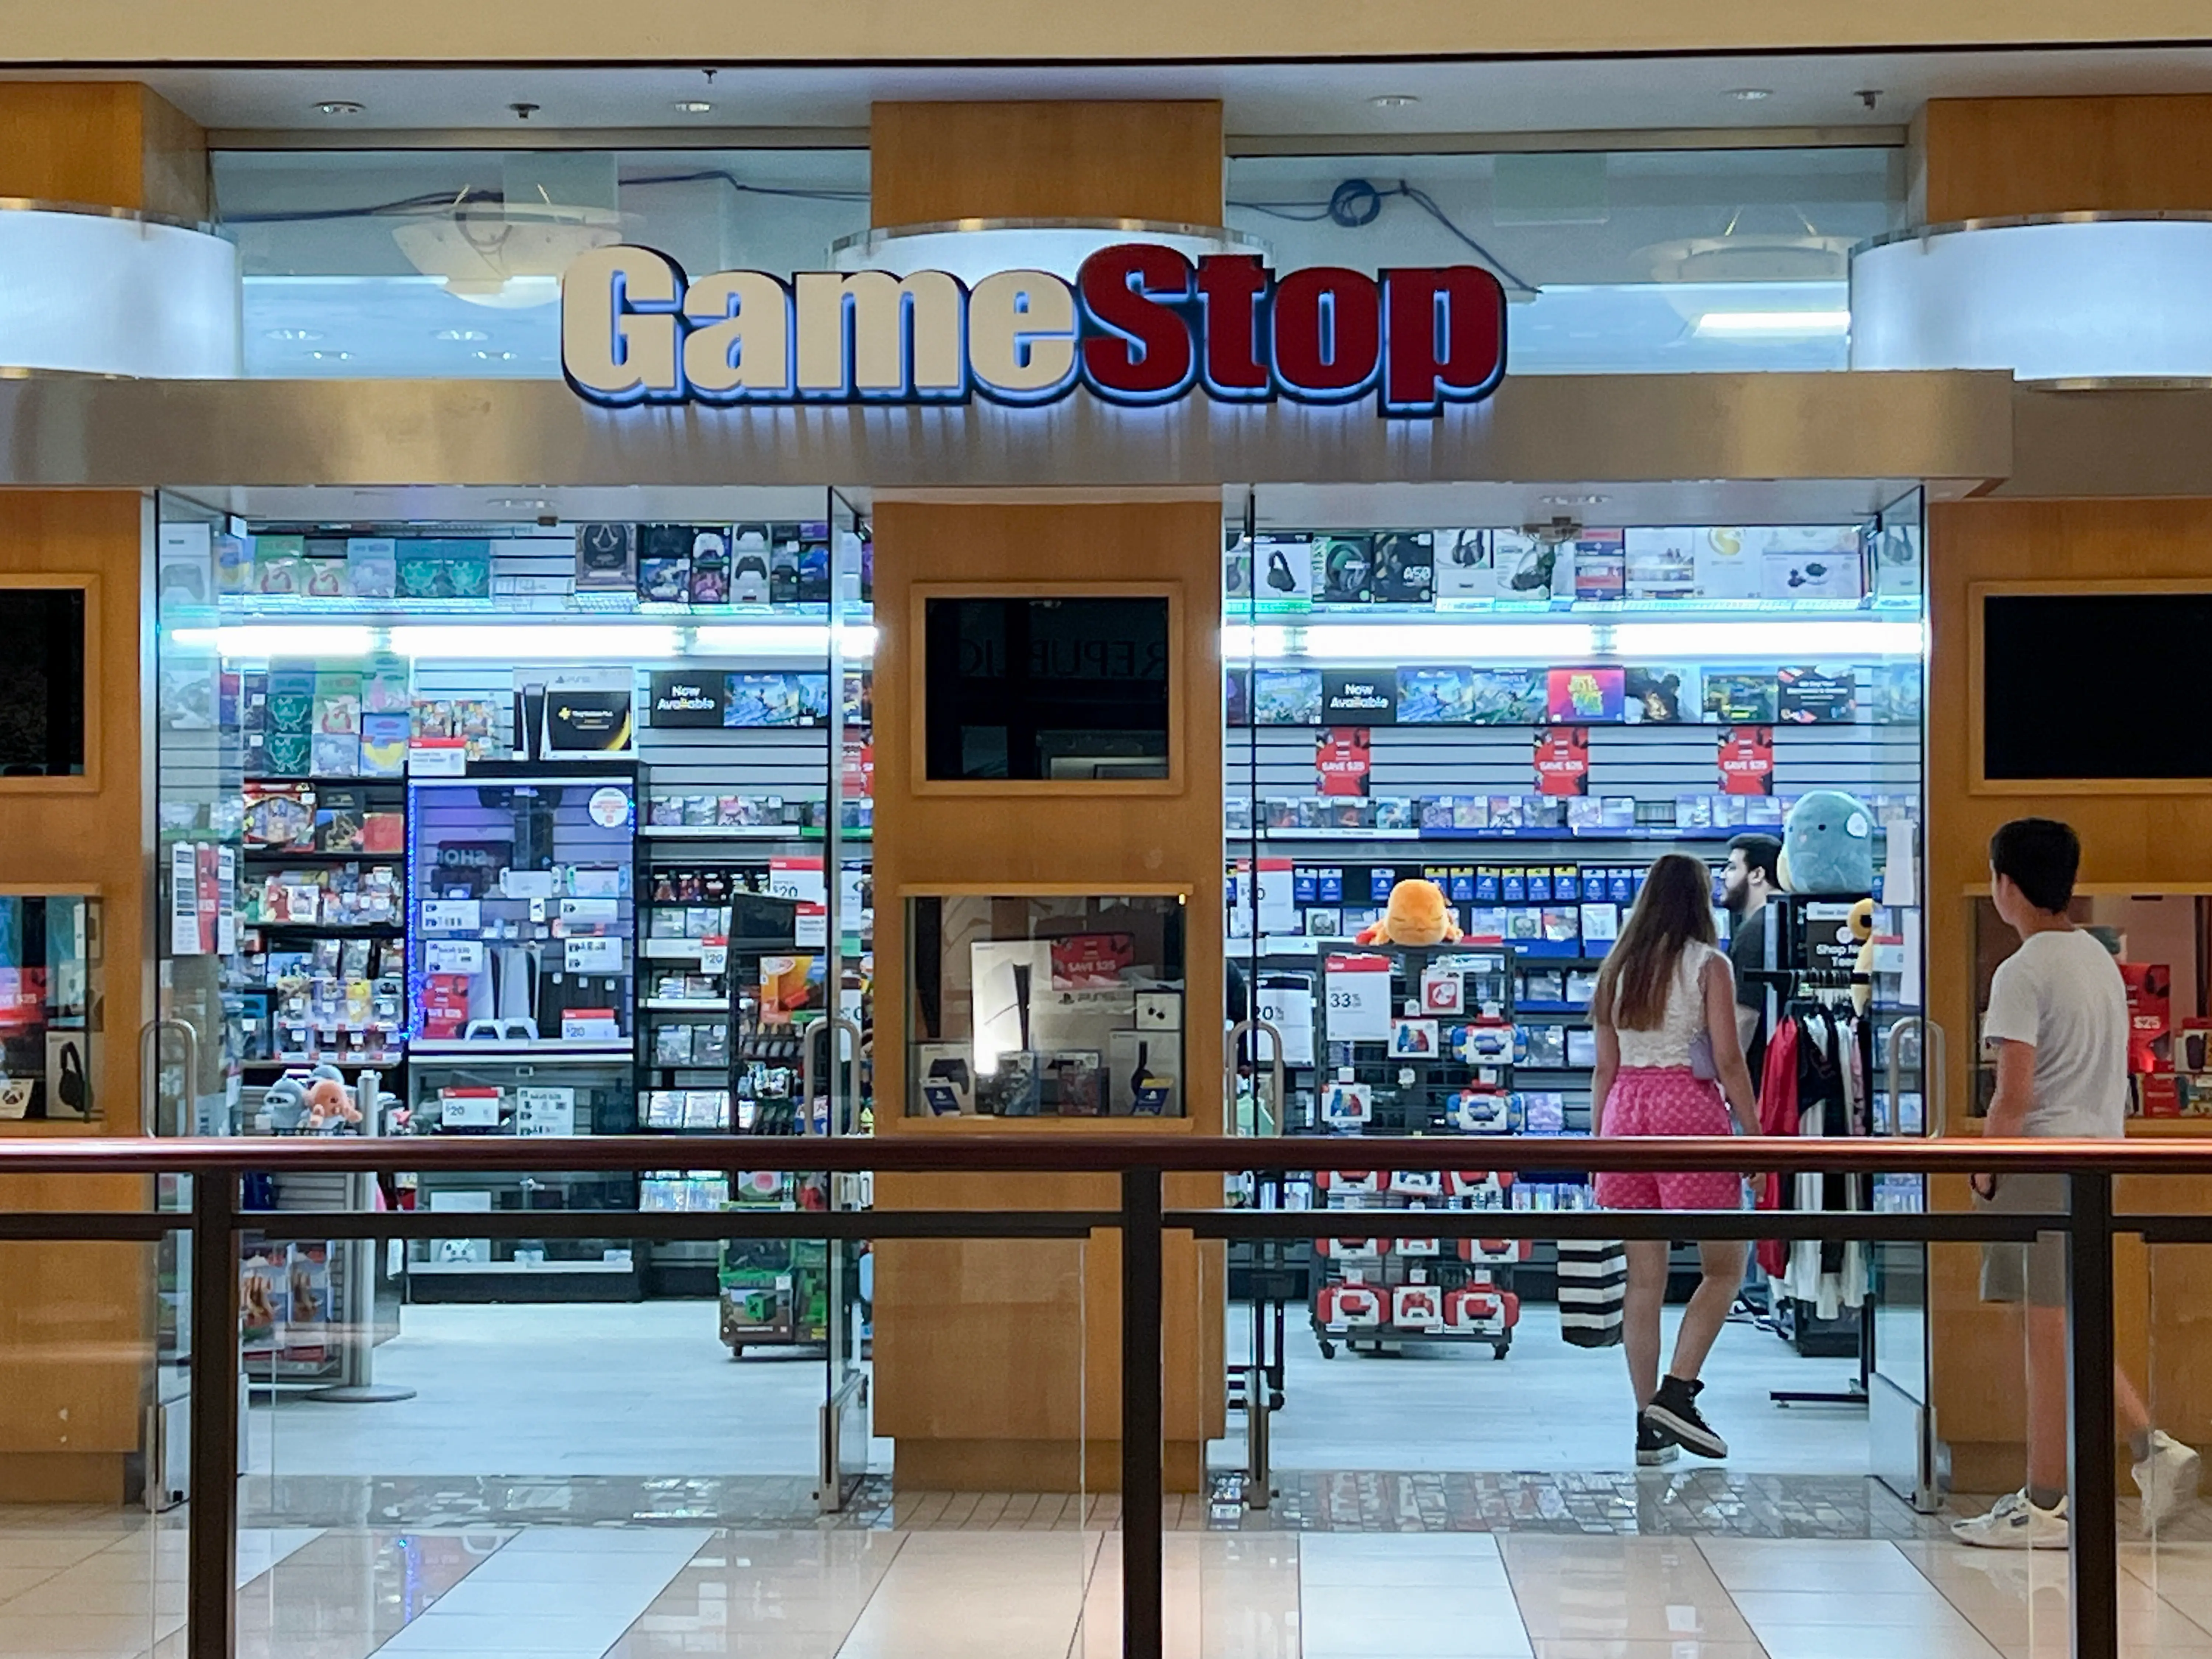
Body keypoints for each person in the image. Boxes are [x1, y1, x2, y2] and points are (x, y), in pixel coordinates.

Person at [1952, 818, 2201, 1547]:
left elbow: (2014, 1092)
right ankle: (2143, 1448)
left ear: (2006, 882)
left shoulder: (2022, 971)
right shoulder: (2096, 958)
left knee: (2047, 1336)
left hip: (2038, 1165)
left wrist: (1986, 1166)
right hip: (2098, 1158)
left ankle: (2049, 1500)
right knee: (2066, 1325)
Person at [1590, 851, 1764, 1467]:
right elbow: (1729, 1059)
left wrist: (1597, 1146)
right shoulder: (1708, 965)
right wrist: (1755, 1135)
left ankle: (1648, 1427)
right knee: (1725, 1265)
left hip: (1625, 1115)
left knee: (1644, 1279)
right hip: (1687, 1112)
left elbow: (1604, 1068)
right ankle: (1678, 1390)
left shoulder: (1617, 969)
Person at [1722, 832, 1783, 1079]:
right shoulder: (1785, 919)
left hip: (1758, 1073)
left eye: (1732, 868)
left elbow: (1745, 1016)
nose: (1724, 876)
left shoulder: (1754, 931)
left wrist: (1727, 1077)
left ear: (1757, 874)